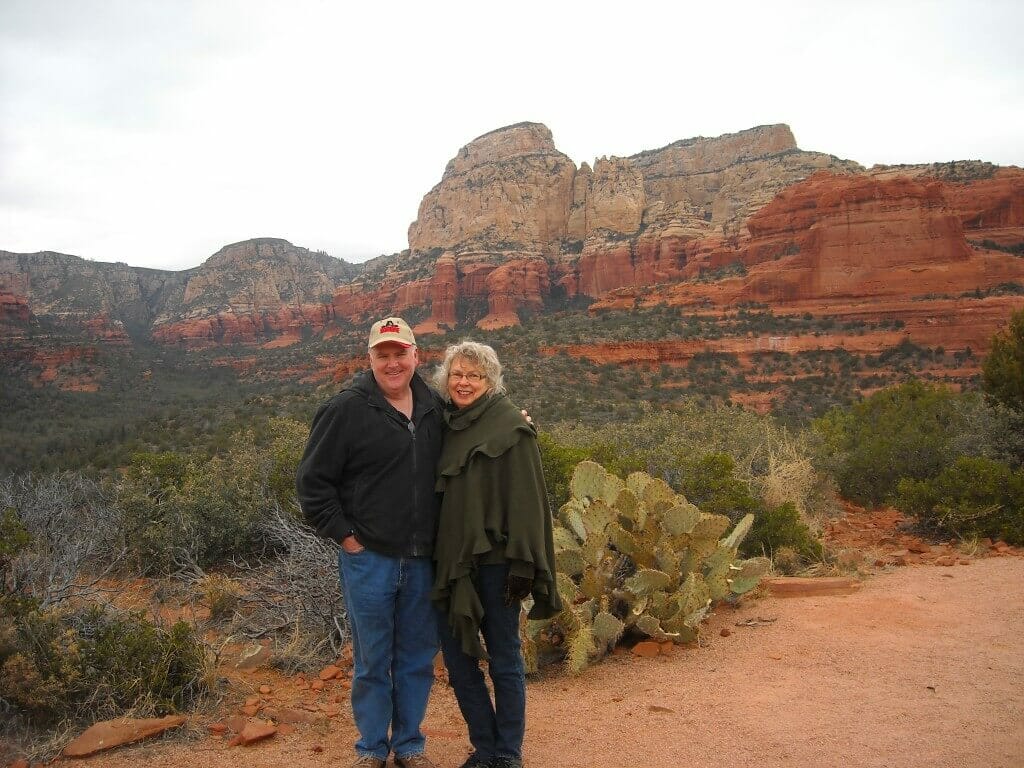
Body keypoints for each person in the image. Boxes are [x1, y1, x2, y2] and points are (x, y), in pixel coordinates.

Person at [296, 316, 442, 768]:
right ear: (370, 358)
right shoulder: (346, 409)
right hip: (370, 559)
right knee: (373, 659)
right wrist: (347, 537)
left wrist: (515, 422)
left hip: (424, 560)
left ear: (417, 356)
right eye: (384, 354)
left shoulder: (435, 406)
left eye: (402, 353)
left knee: (417, 658)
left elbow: (477, 428)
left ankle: (409, 745)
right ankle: (372, 748)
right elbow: (312, 483)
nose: (393, 362)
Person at [430, 341, 562, 768]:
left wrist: (525, 564)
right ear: (445, 379)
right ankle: (484, 747)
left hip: (498, 563)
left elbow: (528, 500)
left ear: (490, 381)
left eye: (474, 375)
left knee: (503, 656)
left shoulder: (510, 426)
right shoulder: (446, 424)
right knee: (458, 659)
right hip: (452, 563)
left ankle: (507, 752)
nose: (464, 382)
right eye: (457, 374)